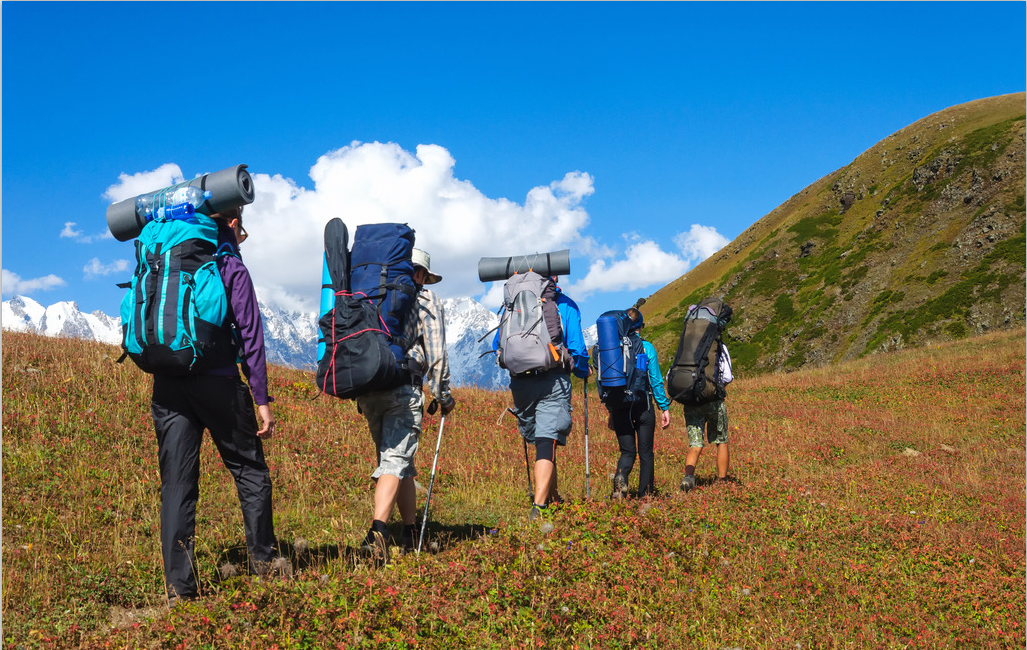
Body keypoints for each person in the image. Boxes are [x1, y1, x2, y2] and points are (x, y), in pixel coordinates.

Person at [150, 206, 285, 604]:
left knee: (177, 485)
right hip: (220, 384)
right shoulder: (230, 266)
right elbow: (250, 337)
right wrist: (261, 398)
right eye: (242, 229)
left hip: (168, 385)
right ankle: (264, 560)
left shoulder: (168, 263)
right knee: (249, 470)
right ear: (231, 222)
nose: (243, 238)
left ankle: (180, 589)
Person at [356, 248, 455, 561]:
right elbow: (436, 353)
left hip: (369, 386)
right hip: (404, 385)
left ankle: (410, 530)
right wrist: (443, 395)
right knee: (394, 461)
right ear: (421, 274)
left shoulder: (371, 293)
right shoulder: (426, 301)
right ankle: (378, 533)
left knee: (400, 463)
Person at [501, 276, 590, 519]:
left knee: (541, 441)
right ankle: (539, 508)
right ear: (554, 278)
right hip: (553, 379)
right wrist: (583, 370)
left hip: (520, 381)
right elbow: (577, 347)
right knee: (546, 441)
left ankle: (553, 497)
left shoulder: (513, 301)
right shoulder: (564, 304)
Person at [604, 308, 671, 499]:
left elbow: (609, 383)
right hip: (643, 406)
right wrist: (664, 407)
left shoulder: (612, 349)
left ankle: (620, 479)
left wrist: (611, 410)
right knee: (646, 454)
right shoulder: (646, 347)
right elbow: (656, 380)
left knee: (627, 452)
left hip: (619, 406)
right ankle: (645, 495)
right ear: (639, 327)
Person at [679, 341, 733, 491]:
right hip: (714, 400)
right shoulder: (719, 346)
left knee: (695, 443)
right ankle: (722, 479)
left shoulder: (687, 346)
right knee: (721, 440)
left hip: (692, 402)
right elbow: (727, 376)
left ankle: (688, 477)